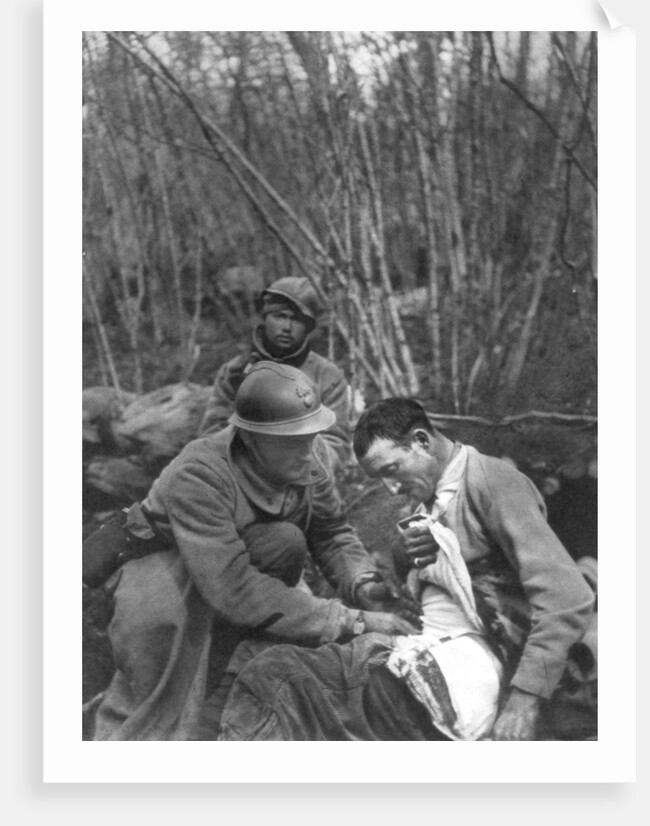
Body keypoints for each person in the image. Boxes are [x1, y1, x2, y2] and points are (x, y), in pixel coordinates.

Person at [216, 398, 596, 741]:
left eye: (392, 469)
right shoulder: (431, 500)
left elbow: (568, 596)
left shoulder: (493, 482)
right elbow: (460, 570)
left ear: (422, 441)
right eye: (380, 479)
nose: (391, 488)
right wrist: (405, 556)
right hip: (432, 644)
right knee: (256, 655)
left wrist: (526, 699)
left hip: (474, 661)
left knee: (277, 674)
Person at [88, 365, 416, 741]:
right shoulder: (198, 472)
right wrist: (353, 621)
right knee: (163, 685)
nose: (309, 451)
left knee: (285, 541)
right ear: (251, 437)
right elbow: (234, 586)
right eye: (293, 439)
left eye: (310, 435)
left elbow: (331, 532)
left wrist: (363, 584)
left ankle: (234, 647)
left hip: (229, 561)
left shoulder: (308, 455)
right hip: (158, 564)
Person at [199, 276, 352, 475]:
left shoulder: (327, 376)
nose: (287, 327)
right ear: (265, 319)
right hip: (242, 477)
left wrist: (291, 460)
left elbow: (335, 445)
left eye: (297, 319)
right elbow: (211, 436)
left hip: (304, 482)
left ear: (308, 327)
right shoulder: (234, 372)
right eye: (279, 316)